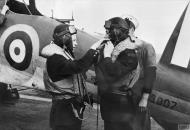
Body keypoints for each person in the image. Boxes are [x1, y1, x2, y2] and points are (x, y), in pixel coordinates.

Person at [41, 24, 113, 130]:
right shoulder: (55, 58)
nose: (75, 44)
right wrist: (95, 47)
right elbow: (79, 67)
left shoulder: (62, 53)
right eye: (73, 41)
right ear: (64, 39)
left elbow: (75, 76)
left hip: (69, 106)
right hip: (64, 110)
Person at [94, 17, 156, 130]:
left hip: (137, 97)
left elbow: (151, 74)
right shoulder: (116, 45)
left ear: (131, 28)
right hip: (117, 97)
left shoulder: (145, 46)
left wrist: (145, 98)